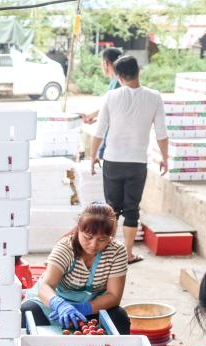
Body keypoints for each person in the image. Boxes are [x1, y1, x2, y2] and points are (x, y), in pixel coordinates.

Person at [90, 56, 169, 265]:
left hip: (113, 161)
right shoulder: (154, 97)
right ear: (138, 71)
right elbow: (162, 133)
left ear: (119, 76)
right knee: (132, 209)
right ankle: (128, 254)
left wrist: (92, 156)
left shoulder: (111, 96)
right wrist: (165, 158)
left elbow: (99, 131)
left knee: (111, 209)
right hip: (137, 163)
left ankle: (107, 254)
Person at [20, 203, 131, 335]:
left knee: (119, 317)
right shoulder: (66, 248)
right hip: (53, 306)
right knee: (28, 312)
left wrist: (84, 308)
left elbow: (114, 296)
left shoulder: (116, 251)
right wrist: (59, 305)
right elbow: (46, 286)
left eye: (102, 239)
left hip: (92, 307)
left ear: (110, 236)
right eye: (88, 237)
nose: (93, 245)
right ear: (79, 228)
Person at [80, 47, 122, 164]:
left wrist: (92, 116)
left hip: (113, 137)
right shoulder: (116, 80)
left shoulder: (118, 82)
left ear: (105, 63)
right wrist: (93, 117)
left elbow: (110, 108)